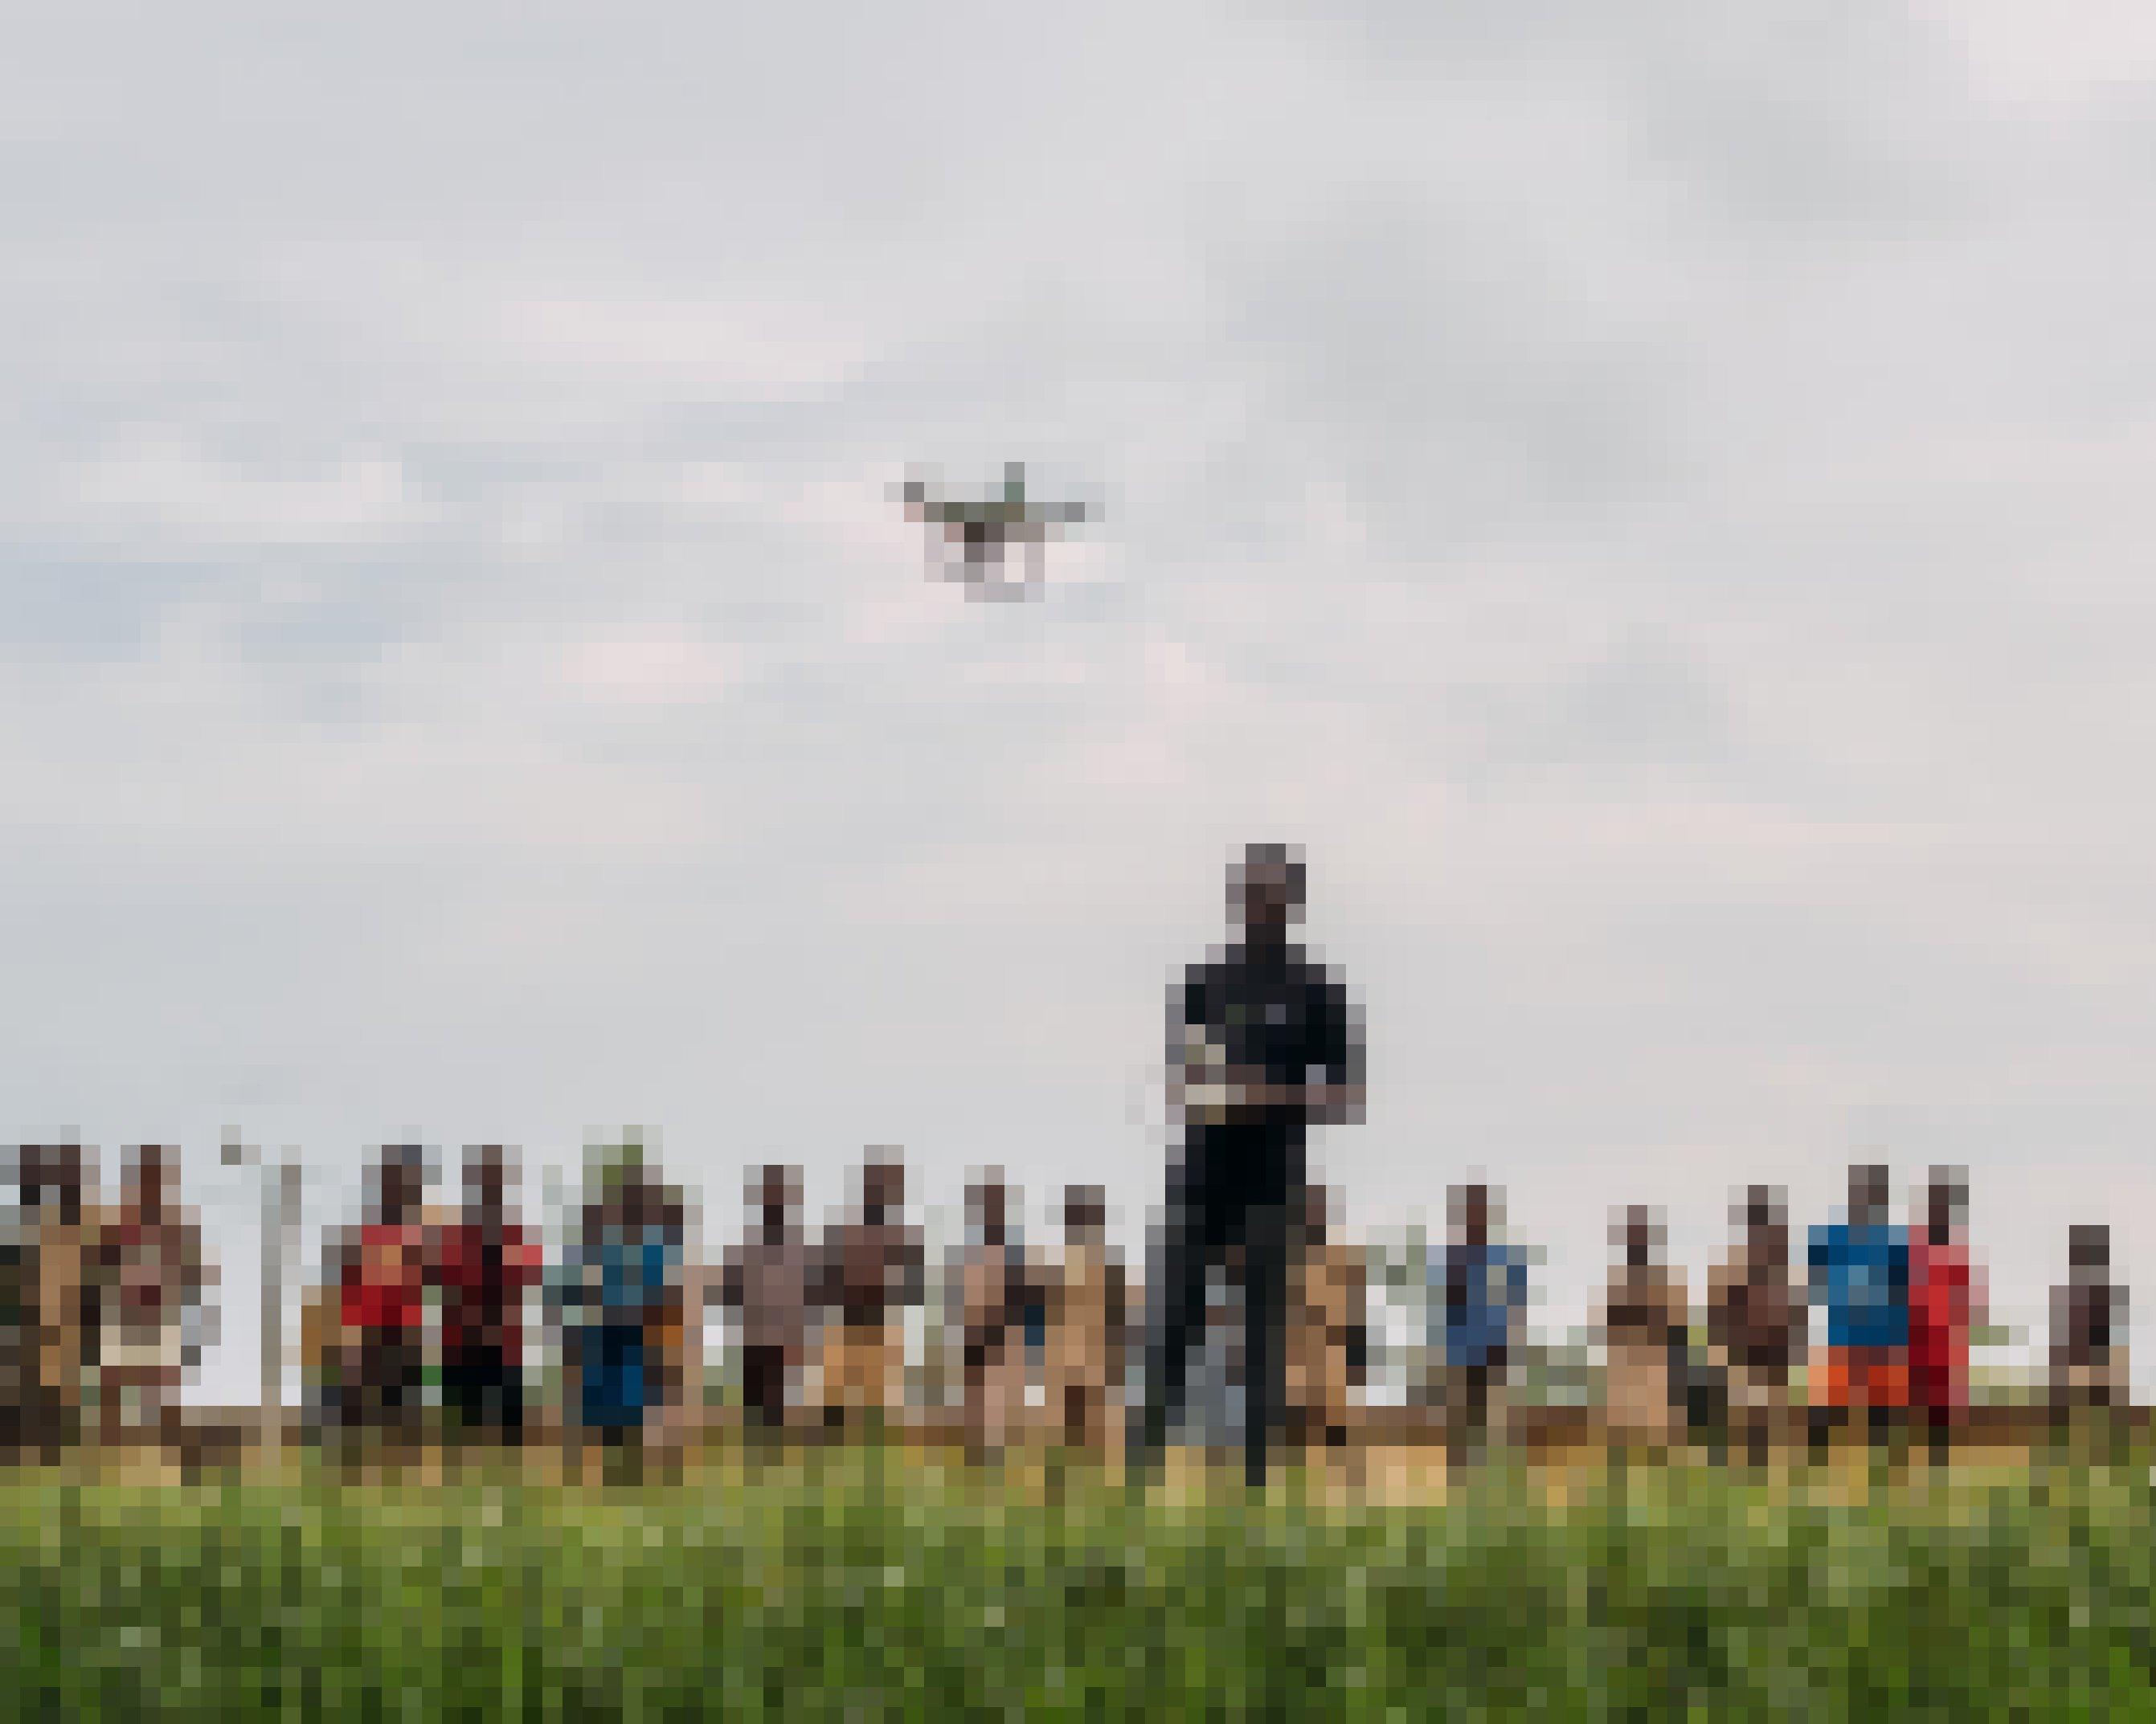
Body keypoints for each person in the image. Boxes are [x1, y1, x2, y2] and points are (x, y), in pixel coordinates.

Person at [1129, 843, 1365, 1488]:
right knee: (1172, 1325)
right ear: (1236, 900)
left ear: (1292, 903)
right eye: (1251, 893)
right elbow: (1183, 1080)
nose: (1261, 905)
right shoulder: (1205, 987)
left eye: (1273, 895)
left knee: (1262, 1336)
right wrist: (1218, 1091)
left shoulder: (1316, 993)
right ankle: (1139, 1475)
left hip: (1271, 1183)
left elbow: (1345, 1093)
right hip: (1201, 1177)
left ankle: (1255, 1487)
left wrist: (1270, 1096)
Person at [93, 1146, 210, 1453]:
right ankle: (115, 1449)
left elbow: (190, 1281)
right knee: (118, 1390)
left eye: (155, 1181)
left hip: (159, 1324)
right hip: (124, 1321)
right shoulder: (115, 1228)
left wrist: (191, 1335)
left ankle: (157, 1450)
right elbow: (101, 1276)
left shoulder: (177, 1232)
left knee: (156, 1394)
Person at [432, 1146, 541, 1445]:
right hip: (468, 1342)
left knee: (499, 1425)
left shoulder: (511, 1237)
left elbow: (528, 1279)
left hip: (496, 1342)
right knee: (469, 1424)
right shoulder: (459, 1239)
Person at [815, 1154, 923, 1436]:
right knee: (846, 1387)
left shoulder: (897, 1239)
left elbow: (913, 1286)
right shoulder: (851, 1235)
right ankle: (840, 1428)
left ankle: (864, 1427)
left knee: (874, 1387)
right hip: (854, 1320)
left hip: (877, 1321)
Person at [1806, 1163, 1911, 1456]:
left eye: (1875, 1194)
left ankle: (1880, 1454)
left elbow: (1903, 1295)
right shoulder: (1833, 1238)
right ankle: (1826, 1453)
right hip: (1849, 1336)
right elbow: (1816, 1286)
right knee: (1840, 1406)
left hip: (1880, 1339)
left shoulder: (1896, 1243)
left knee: (1879, 1411)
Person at [333, 1146, 432, 1452]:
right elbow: (352, 1287)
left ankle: (393, 1450)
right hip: (374, 1333)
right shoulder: (367, 1238)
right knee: (370, 1405)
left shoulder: (418, 1239)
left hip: (401, 1333)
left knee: (398, 1407)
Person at [1705, 1186, 1802, 1468]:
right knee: (1754, 1409)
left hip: (1764, 1350)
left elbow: (1792, 1310)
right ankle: (1753, 1457)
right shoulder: (1763, 1266)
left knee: (1761, 1409)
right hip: (1753, 1350)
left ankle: (1760, 1458)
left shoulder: (1772, 1266)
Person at [718, 1164, 814, 1444]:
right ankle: (762, 1440)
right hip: (761, 1335)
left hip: (774, 1335)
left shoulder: (789, 1253)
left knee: (772, 1398)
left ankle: (768, 1439)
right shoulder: (756, 1251)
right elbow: (732, 1291)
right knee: (761, 1399)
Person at [1433, 1183, 1528, 1467]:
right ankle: (1462, 1465)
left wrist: (1512, 1349)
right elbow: (1444, 1311)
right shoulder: (1452, 1262)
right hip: (1460, 1353)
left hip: (1493, 1351)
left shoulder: (1504, 1260)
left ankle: (1493, 1463)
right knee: (1462, 1419)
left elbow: (1515, 1309)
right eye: (1470, 1213)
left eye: (1478, 1212)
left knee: (1494, 1418)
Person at [955, 1170, 1042, 1460]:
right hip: (985, 1338)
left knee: (1001, 1401)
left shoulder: (1009, 1257)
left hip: (1004, 1337)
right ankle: (984, 1451)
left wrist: (1030, 1340)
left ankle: (996, 1451)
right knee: (985, 1402)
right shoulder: (974, 1258)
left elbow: (1028, 1299)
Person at [1599, 1205, 1690, 1462]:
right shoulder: (1626, 1285)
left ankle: (1650, 1450)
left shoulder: (1654, 1285)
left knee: (1649, 1418)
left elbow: (1674, 1329)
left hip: (1650, 1361)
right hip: (1635, 1360)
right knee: (1634, 1417)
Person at [1908, 1166, 1984, 1463]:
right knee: (1926, 1398)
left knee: (1938, 1400)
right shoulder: (1924, 1252)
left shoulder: (1950, 1255)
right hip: (1926, 1340)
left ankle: (1935, 1453)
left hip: (1942, 1342)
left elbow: (1962, 1302)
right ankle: (1928, 1452)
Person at [1287, 1183, 1368, 1457]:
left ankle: (1333, 1454)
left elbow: (1354, 1312)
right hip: (1300, 1349)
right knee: (1301, 1410)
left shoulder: (1342, 1261)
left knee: (1331, 1414)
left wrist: (1356, 1357)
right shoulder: (1292, 1262)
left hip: (1332, 1349)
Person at [1045, 1185, 1128, 1456]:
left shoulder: (1105, 1272)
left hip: (1091, 1353)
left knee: (1090, 1414)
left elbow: (1116, 1316)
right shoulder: (1063, 1271)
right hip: (1075, 1353)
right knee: (1075, 1413)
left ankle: (1088, 1449)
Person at [2050, 1224, 2129, 1452]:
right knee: (2081, 1413)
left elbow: (2117, 1338)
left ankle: (2095, 1446)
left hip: (2097, 1361)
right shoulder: (2067, 1295)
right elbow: (2060, 1337)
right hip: (2080, 1361)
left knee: (2094, 1413)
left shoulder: (2109, 1294)